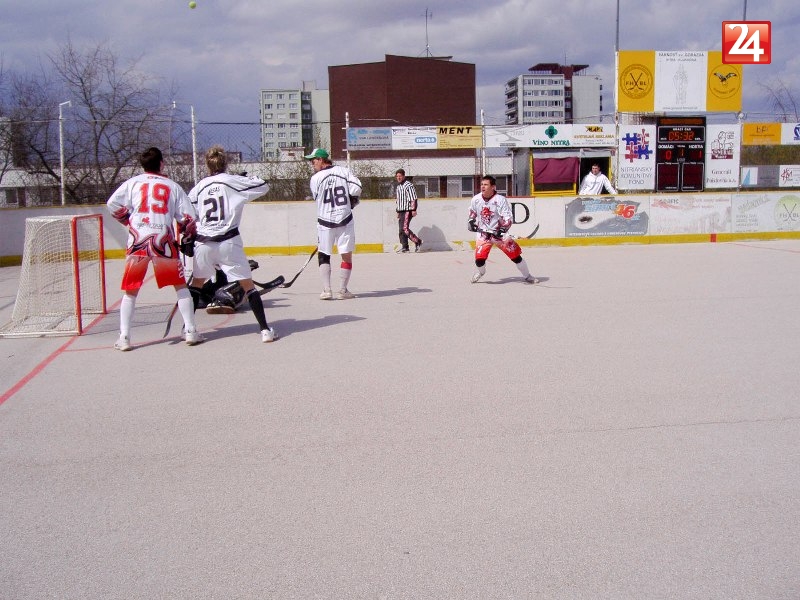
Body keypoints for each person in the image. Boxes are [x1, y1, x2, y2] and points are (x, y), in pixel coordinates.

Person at [106, 146, 204, 351]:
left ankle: (124, 337)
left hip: (138, 242)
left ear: (143, 165)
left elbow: (112, 204)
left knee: (131, 291)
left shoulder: (132, 183)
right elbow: (189, 217)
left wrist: (128, 221)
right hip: (164, 242)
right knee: (180, 287)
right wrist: (187, 235)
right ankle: (190, 330)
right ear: (161, 164)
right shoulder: (172, 186)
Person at [186, 145, 277, 343]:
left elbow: (188, 213)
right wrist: (245, 177)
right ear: (225, 163)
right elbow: (263, 185)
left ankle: (189, 330)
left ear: (208, 165)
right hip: (228, 241)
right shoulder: (233, 181)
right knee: (248, 286)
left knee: (196, 285)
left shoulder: (199, 187)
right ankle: (265, 330)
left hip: (203, 243)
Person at [304, 148, 362, 300]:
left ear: (321, 159)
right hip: (345, 219)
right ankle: (342, 290)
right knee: (346, 255)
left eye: (313, 160)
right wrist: (351, 200)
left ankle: (327, 290)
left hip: (325, 221)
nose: (312, 164)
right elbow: (357, 188)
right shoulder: (343, 171)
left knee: (324, 254)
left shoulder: (315, 178)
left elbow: (317, 197)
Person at [468, 175, 537, 284]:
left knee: (516, 257)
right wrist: (471, 221)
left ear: (493, 187)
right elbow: (472, 212)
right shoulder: (476, 199)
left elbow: (508, 217)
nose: (483, 187)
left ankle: (527, 276)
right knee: (479, 261)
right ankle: (481, 272)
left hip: (499, 235)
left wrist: (503, 229)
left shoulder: (500, 200)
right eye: (482, 184)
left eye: (486, 184)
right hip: (483, 235)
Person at [394, 168, 422, 252]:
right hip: (401, 210)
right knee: (401, 229)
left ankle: (417, 241)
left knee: (404, 228)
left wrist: (414, 209)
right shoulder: (398, 186)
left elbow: (413, 198)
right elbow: (398, 200)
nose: (398, 178)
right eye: (397, 176)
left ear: (404, 176)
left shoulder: (408, 185)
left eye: (400, 176)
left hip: (407, 210)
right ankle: (405, 247)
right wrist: (398, 211)